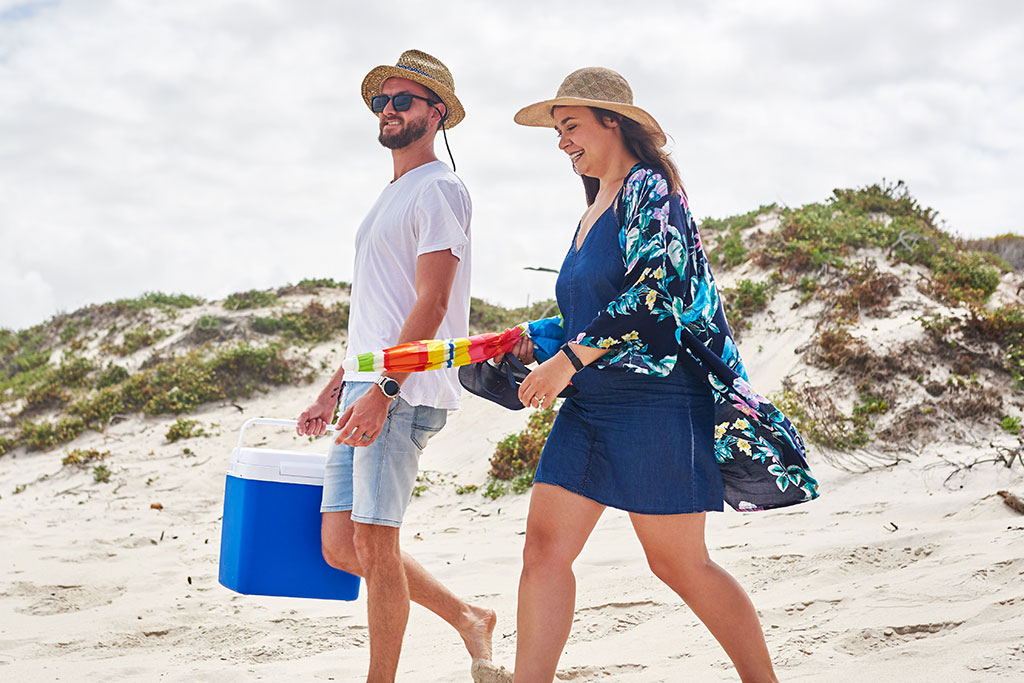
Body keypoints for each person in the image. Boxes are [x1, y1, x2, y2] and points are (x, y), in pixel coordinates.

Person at [490, 67, 818, 682]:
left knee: (678, 563)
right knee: (543, 551)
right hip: (591, 404)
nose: (562, 142)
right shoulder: (593, 209)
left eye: (571, 127)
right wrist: (533, 344)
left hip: (656, 399)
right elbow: (588, 312)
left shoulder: (650, 190)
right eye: (557, 132)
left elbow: (657, 294)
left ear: (613, 122)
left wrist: (568, 359)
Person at [295, 49, 495, 683]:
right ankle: (469, 617)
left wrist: (385, 387)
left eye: (401, 101)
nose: (387, 110)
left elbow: (432, 303)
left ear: (435, 114)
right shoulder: (392, 195)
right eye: (381, 101)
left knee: (377, 548)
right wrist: (335, 388)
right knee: (340, 545)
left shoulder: (440, 188)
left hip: (402, 389)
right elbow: (377, 312)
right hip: (368, 383)